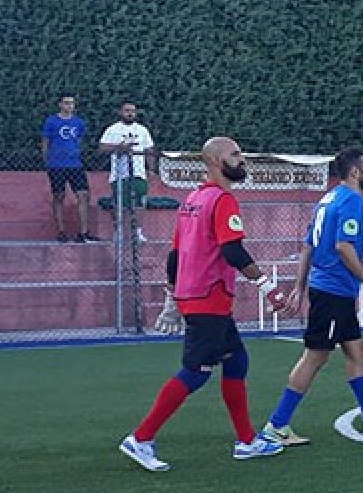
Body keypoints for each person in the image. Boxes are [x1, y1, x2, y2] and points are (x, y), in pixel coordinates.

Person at [119, 137, 287, 472]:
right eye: (235, 155)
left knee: (236, 361)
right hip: (208, 297)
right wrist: (268, 286)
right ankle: (141, 438)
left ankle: (246, 440)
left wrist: (171, 295)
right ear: (213, 161)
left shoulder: (192, 200)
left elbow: (175, 254)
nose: (242, 160)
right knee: (196, 372)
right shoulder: (222, 200)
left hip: (200, 297)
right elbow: (233, 251)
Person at [261, 148, 363, 446]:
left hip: (329, 290)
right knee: (315, 356)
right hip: (333, 292)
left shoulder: (327, 199)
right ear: (355, 172)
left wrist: (300, 287)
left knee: (356, 352)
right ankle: (277, 425)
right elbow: (344, 246)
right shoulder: (352, 200)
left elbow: (307, 246)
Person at [42, 94, 97, 243]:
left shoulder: (79, 122)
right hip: (56, 165)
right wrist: (47, 160)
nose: (69, 106)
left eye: (71, 103)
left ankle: (83, 232)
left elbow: (79, 139)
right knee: (59, 196)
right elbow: (45, 141)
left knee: (83, 195)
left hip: (75, 164)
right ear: (60, 104)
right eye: (66, 103)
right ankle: (61, 231)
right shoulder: (51, 121)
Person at [99, 102, 156, 244]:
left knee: (139, 203)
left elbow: (149, 150)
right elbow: (102, 148)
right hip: (119, 174)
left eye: (133, 111)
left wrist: (151, 169)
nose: (130, 113)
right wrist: (119, 147)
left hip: (138, 173)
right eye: (127, 110)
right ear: (121, 112)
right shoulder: (113, 129)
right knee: (118, 204)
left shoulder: (142, 130)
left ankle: (138, 232)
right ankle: (118, 232)